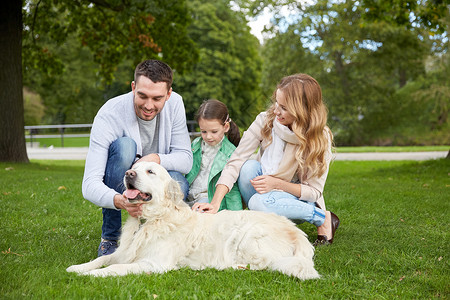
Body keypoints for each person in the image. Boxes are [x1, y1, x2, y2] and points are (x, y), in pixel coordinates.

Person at [193, 74, 339, 245]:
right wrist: (215, 203)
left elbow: (314, 192)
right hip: (265, 191)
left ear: (302, 109)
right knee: (247, 167)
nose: (276, 111)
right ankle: (266, 224)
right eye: (277, 103)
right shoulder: (266, 120)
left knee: (257, 202)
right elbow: (236, 160)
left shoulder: (320, 137)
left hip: (295, 199)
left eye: (284, 107)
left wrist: (277, 184)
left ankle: (322, 217)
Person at [82, 59, 193, 256]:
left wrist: (153, 159)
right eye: (142, 96)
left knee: (178, 183)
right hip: (122, 174)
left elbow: (185, 159)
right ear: (133, 87)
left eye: (157, 98)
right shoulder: (110, 113)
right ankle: (111, 238)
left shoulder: (176, 103)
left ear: (169, 94)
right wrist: (119, 200)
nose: (149, 106)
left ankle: (155, 235)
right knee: (125, 146)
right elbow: (89, 184)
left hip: (153, 177)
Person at [185, 99, 242, 211]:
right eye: (204, 131)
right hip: (190, 195)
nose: (208, 137)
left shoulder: (231, 152)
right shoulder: (196, 144)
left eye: (214, 132)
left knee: (199, 213)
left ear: (225, 127)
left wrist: (236, 213)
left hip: (209, 198)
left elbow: (233, 188)